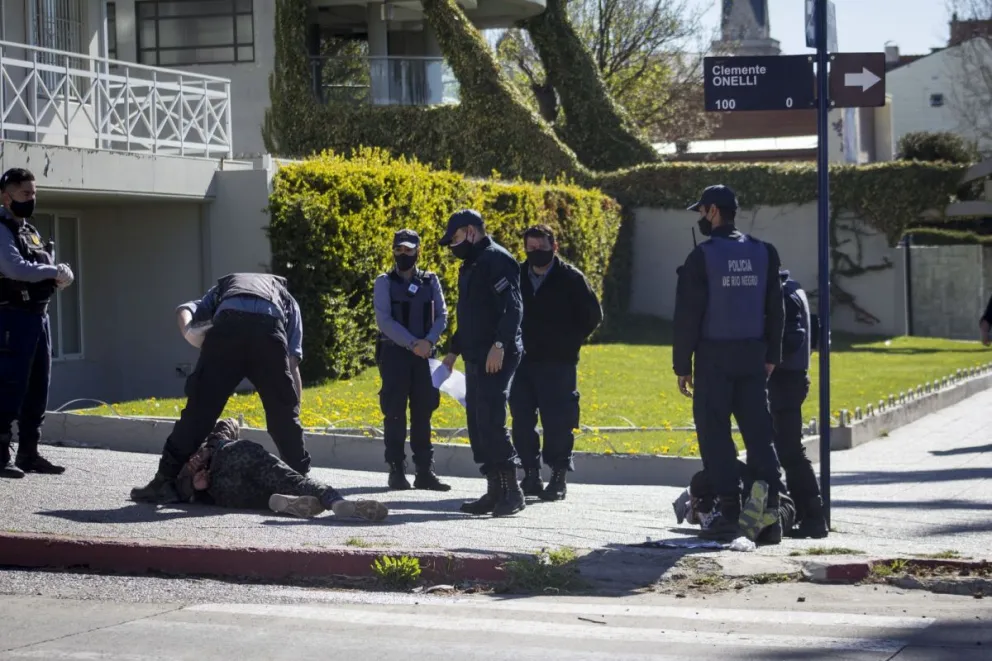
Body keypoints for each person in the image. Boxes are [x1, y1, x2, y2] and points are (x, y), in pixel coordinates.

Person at [131, 273, 312, 503]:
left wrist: (198, 340)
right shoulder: (287, 298)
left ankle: (163, 481)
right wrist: (292, 410)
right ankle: (301, 483)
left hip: (227, 329)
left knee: (198, 414)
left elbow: (183, 311)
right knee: (282, 417)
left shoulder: (222, 289)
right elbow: (292, 363)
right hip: (269, 330)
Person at [673, 184, 786, 543]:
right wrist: (772, 356)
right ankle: (772, 511)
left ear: (713, 211)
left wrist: (682, 365)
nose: (701, 219)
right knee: (758, 433)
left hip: (714, 358)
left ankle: (730, 510)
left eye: (702, 212)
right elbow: (776, 309)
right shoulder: (764, 252)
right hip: (753, 357)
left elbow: (688, 315)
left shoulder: (702, 257)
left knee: (715, 434)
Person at [439, 209, 525, 517]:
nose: (452, 245)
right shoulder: (471, 264)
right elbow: (471, 316)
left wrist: (499, 345)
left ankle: (513, 491)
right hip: (476, 354)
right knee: (478, 423)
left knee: (491, 418)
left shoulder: (496, 259)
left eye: (456, 238)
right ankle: (493, 490)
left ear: (471, 231)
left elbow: (513, 309)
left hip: (497, 354)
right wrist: (453, 352)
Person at [510, 224, 603, 501]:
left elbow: (593, 315)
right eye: (531, 248)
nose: (536, 252)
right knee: (521, 419)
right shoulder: (517, 275)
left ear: (555, 247)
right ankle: (530, 474)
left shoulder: (571, 278)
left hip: (558, 363)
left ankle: (559, 477)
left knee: (558, 421)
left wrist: (568, 342)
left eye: (542, 247)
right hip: (522, 362)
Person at [0, 168, 74, 479]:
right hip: (11, 316)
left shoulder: (29, 229)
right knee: (9, 384)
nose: (32, 199)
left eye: (34, 193)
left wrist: (61, 273)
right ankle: (1, 454)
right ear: (6, 196)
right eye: (25, 194)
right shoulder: (1, 228)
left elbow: (41, 265)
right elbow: (14, 268)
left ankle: (29, 452)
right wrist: (51, 271)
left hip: (37, 316)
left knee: (38, 386)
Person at [172, 417, 388, 521]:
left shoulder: (174, 471)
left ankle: (281, 503)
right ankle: (335, 501)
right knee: (294, 481)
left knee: (261, 498)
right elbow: (228, 423)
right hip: (235, 456)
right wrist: (210, 449)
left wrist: (195, 486)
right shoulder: (205, 441)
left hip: (224, 490)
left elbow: (175, 494)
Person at [373, 228, 450, 491]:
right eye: (399, 249)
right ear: (393, 250)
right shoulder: (383, 282)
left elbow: (442, 315)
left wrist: (428, 341)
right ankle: (396, 470)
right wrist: (412, 343)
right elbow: (384, 320)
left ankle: (425, 471)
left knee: (424, 412)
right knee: (394, 412)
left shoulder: (431, 280)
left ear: (418, 250)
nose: (403, 254)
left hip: (425, 354)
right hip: (395, 355)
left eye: (409, 249)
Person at [768, 268, 827, 539]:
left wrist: (767, 358)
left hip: (785, 380)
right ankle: (806, 513)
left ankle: (813, 515)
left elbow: (794, 336)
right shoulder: (794, 288)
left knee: (790, 451)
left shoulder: (784, 294)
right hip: (791, 378)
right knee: (787, 450)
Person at [672, 461, 795, 545]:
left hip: (766, 499)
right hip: (780, 506)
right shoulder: (707, 511)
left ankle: (762, 526)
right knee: (772, 517)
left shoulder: (705, 487)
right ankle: (766, 528)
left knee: (745, 516)